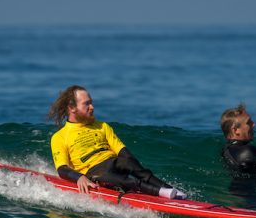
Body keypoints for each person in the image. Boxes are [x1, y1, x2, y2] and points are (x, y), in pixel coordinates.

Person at [48, 85, 186, 199]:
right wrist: (79, 178)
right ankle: (162, 193)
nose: (92, 107)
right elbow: (62, 168)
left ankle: (168, 188)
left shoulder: (102, 126)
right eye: (86, 104)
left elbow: (122, 151)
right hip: (94, 171)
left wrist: (130, 162)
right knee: (123, 180)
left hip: (112, 161)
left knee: (130, 163)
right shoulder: (59, 137)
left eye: (91, 102)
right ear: (72, 108)